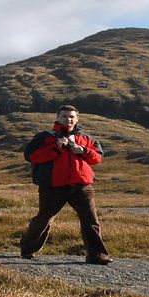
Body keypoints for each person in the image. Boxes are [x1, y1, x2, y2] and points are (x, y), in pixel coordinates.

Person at [20, 105, 111, 264]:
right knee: (44, 218)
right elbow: (31, 156)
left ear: (77, 119)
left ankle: (97, 255)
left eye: (71, 117)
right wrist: (56, 147)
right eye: (64, 116)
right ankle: (28, 248)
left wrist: (83, 151)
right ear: (57, 117)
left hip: (81, 186)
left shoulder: (87, 139)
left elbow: (97, 158)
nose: (68, 119)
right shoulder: (44, 137)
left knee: (90, 220)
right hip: (53, 186)